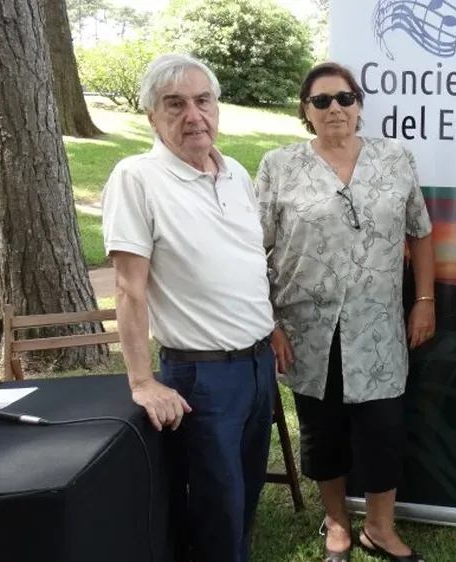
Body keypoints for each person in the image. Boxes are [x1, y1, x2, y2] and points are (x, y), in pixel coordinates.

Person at [255, 61, 435, 562]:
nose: (334, 108)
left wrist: (424, 300)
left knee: (383, 429)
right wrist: (270, 323)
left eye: (344, 98)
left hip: (378, 326)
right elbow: (253, 248)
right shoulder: (279, 165)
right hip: (307, 328)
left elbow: (420, 232)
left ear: (358, 104)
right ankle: (336, 524)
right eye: (321, 100)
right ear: (306, 110)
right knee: (322, 431)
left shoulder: (395, 158)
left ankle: (379, 528)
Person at [101, 53, 276, 562]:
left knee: (244, 495)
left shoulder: (235, 172)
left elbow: (248, 262)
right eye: (175, 104)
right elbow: (129, 289)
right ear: (152, 117)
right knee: (215, 507)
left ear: (217, 107)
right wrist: (141, 381)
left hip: (258, 365)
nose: (194, 115)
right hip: (202, 376)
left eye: (203, 101)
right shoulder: (136, 178)